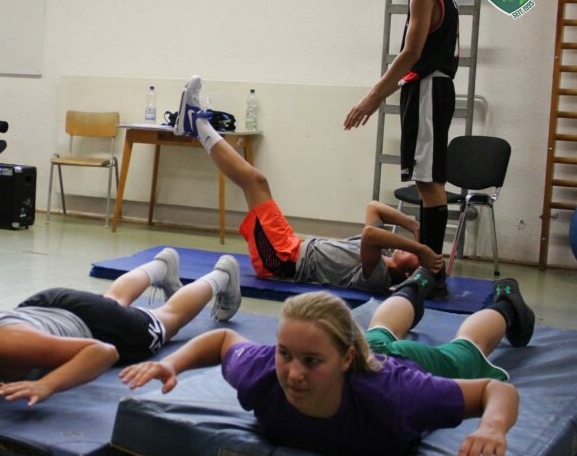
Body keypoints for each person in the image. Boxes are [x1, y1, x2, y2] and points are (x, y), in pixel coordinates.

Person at [120, 271, 535, 456]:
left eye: (311, 362)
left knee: (465, 348)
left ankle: (506, 304)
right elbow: (223, 340)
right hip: (360, 346)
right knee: (377, 331)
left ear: (345, 359)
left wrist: (492, 427)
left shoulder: (398, 395)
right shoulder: (265, 373)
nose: (293, 374)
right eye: (285, 354)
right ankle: (415, 284)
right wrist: (171, 363)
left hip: (401, 361)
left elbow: (495, 390)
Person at [0, 248, 241, 405]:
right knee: (114, 302)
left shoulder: (3, 346)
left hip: (84, 324)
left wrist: (48, 384)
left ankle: (222, 276)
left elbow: (103, 352)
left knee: (162, 323)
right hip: (45, 311)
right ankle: (160, 266)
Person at [173, 75, 442, 294]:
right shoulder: (385, 250)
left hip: (282, 261)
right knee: (256, 181)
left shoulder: (378, 277)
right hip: (289, 247)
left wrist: (420, 249)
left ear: (408, 272)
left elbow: (371, 235)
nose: (414, 249)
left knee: (255, 182)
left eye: (417, 259)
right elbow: (374, 208)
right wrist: (415, 227)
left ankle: (197, 124)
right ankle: (195, 124)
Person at [342, 0, 460, 276]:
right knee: (427, 180)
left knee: (428, 182)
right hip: (433, 89)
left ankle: (431, 273)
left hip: (428, 90)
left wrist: (373, 97)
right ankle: (430, 269)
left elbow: (411, 54)